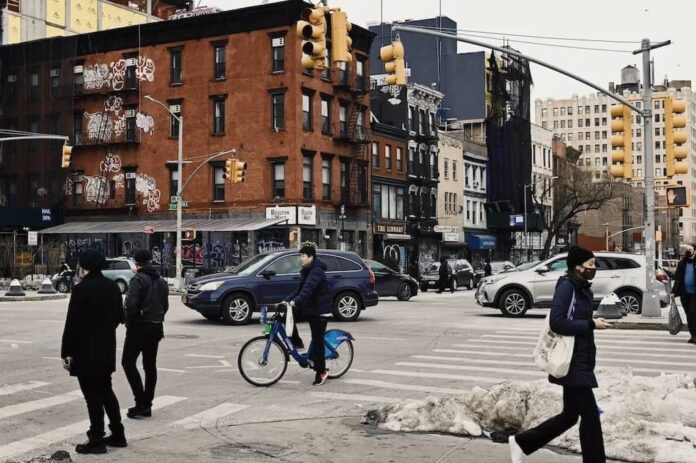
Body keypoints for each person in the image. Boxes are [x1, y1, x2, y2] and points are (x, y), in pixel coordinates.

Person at [509, 246, 611, 463]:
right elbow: (557, 322)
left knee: (570, 416)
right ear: (577, 266)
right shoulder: (568, 288)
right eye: (591, 265)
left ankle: (522, 442)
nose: (594, 269)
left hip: (580, 359)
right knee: (591, 417)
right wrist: (591, 324)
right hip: (572, 361)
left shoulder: (582, 288)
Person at [61, 249, 126, 454]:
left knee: (92, 397)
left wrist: (66, 352)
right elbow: (119, 317)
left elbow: (73, 324)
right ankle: (118, 433)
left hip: (85, 350)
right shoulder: (112, 287)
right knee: (106, 391)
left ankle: (96, 439)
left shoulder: (82, 289)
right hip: (106, 347)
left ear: (83, 267)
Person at [122, 249, 169, 418]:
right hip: (156, 327)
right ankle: (147, 404)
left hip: (139, 327)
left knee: (128, 362)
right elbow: (165, 306)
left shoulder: (138, 280)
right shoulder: (161, 281)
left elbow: (131, 305)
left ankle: (140, 401)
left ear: (136, 262)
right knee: (150, 366)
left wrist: (128, 322)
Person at [284, 242, 332, 386]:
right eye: (300, 256)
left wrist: (296, 301)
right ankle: (298, 343)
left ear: (311, 257)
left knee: (317, 340)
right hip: (311, 308)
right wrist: (286, 301)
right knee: (286, 313)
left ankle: (322, 371)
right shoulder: (306, 270)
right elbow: (299, 290)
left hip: (321, 310)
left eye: (303, 256)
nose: (301, 259)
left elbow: (308, 289)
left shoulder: (316, 271)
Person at [670, 244, 696, 343]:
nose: (689, 252)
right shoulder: (682, 263)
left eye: (691, 250)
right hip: (685, 294)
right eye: (687, 250)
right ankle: (693, 335)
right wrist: (673, 292)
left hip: (694, 294)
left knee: (693, 313)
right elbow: (678, 279)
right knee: (689, 315)